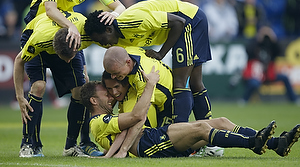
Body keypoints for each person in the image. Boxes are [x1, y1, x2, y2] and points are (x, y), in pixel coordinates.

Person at [80, 77, 300, 158]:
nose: (111, 96)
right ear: (93, 101)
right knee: (202, 128)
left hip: (153, 137)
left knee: (221, 121)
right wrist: (149, 84)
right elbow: (138, 116)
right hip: (147, 146)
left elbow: (126, 131)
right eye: (105, 93)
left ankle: (276, 144)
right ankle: (254, 142)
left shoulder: (109, 118)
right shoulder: (97, 123)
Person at [84, 0, 212, 126]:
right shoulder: (118, 40)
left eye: (102, 40)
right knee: (195, 83)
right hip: (183, 25)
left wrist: (161, 53)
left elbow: (179, 22)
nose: (104, 45)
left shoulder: (132, 21)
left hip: (190, 20)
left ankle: (181, 132)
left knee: (180, 82)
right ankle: (209, 135)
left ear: (108, 30)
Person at [14, 11, 102, 157]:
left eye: (71, 57)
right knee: (39, 86)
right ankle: (29, 144)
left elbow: (80, 50)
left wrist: (83, 71)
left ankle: (72, 146)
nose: (68, 62)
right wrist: (19, 96)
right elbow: (18, 61)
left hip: (69, 34)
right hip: (35, 35)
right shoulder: (38, 40)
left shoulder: (82, 28)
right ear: (56, 51)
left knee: (82, 88)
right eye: (65, 58)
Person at [24, 0, 125, 50]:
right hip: (39, 26)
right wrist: (71, 26)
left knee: (78, 71)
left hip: (64, 26)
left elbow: (120, 7)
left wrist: (114, 14)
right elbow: (50, 10)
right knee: (34, 69)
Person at [102, 46, 174, 127]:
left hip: (169, 104)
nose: (113, 77)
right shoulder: (130, 51)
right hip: (167, 85)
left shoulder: (143, 79)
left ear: (128, 62)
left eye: (116, 73)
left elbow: (140, 114)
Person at [241, 26, 299, 105]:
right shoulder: (255, 45)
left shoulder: (271, 45)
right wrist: (258, 39)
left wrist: (273, 38)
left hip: (268, 74)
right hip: (256, 75)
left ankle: (294, 100)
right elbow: (248, 50)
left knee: (284, 78)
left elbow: (279, 51)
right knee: (253, 83)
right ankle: (244, 100)